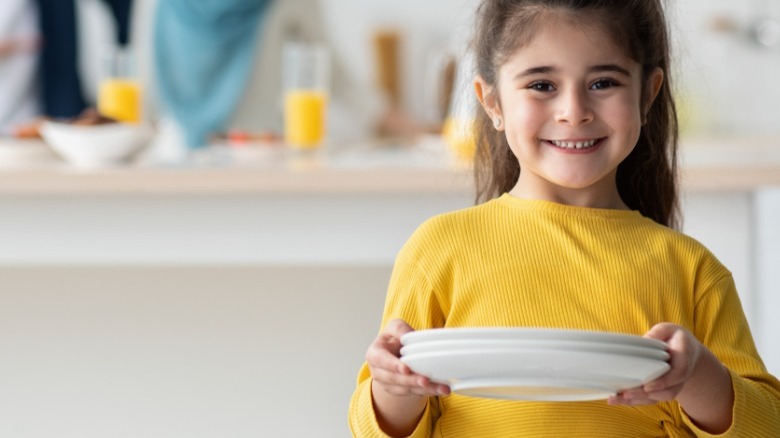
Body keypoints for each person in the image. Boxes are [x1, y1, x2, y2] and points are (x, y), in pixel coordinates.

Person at [348, 0, 780, 437]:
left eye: (603, 82)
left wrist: (698, 377)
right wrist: (396, 387)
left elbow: (767, 426)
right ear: (492, 102)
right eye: (541, 85)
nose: (573, 111)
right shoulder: (438, 251)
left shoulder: (691, 271)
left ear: (647, 95)